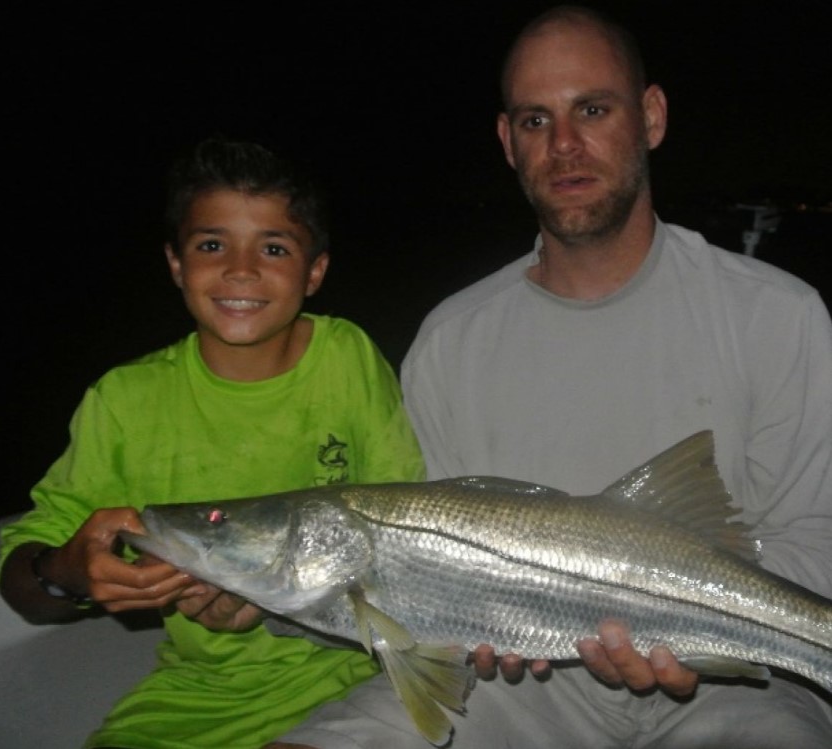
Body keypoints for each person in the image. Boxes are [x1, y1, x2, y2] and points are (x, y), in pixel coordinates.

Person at [272, 5, 832, 748]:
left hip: (740, 683)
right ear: (507, 142)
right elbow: (408, 582)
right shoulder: (450, 340)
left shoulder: (779, 315)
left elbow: (812, 542)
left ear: (651, 117)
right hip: (518, 688)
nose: (564, 144)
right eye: (535, 121)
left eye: (592, 110)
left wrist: (684, 623)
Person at [0, 136, 426, 749]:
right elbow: (26, 586)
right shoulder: (124, 400)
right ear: (176, 264)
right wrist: (71, 571)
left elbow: (397, 527)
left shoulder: (345, 356)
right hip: (197, 694)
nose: (241, 269)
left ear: (315, 271)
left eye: (273, 247)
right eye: (212, 244)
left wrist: (276, 606)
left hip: (358, 671)